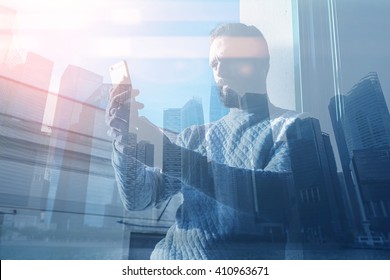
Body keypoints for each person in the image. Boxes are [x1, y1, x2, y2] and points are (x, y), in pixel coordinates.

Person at [106, 23, 308, 259]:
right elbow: (139, 199)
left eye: (229, 59)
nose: (219, 71)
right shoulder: (194, 136)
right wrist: (124, 146)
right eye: (214, 63)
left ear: (262, 64)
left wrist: (169, 157)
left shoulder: (294, 126)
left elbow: (278, 199)